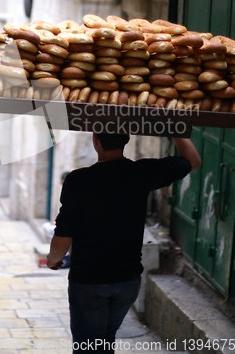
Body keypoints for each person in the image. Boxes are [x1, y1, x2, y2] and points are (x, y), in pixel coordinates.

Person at [47, 132, 201, 353]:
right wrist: (174, 129)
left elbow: (65, 231)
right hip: (126, 281)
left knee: (87, 347)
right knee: (105, 340)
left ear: (95, 141)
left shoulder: (78, 180)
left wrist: (53, 260)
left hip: (90, 283)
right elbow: (193, 161)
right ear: (127, 139)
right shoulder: (141, 173)